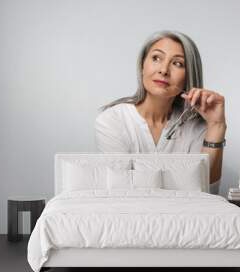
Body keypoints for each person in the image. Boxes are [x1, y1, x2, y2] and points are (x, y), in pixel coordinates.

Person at [94, 30, 226, 194]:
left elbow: (207, 193)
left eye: (177, 63)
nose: (164, 70)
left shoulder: (196, 126)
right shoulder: (112, 120)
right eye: (156, 58)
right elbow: (123, 191)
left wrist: (216, 126)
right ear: (142, 65)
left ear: (189, 76)